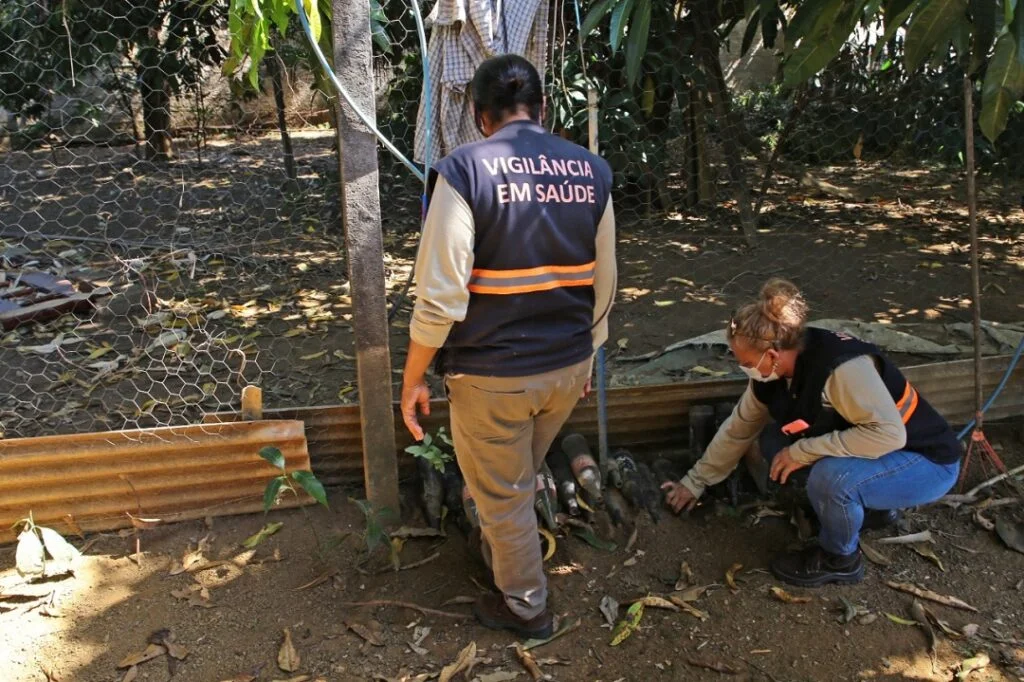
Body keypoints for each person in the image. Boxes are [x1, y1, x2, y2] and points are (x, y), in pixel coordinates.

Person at [399, 54, 616, 638]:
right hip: (567, 369)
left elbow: (441, 298)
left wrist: (413, 377)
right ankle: (506, 557)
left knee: (506, 492)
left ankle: (525, 606)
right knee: (515, 477)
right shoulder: (591, 171)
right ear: (542, 109)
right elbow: (606, 281)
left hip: (494, 377)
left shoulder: (464, 171)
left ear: (479, 115)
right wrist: (590, 350)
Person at [662, 279, 961, 587]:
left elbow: (889, 436)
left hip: (925, 462)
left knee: (831, 478)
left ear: (773, 354)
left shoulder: (840, 368)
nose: (744, 368)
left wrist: (803, 451)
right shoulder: (773, 374)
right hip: (881, 453)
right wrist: (695, 481)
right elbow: (739, 429)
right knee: (774, 441)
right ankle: (868, 513)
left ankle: (840, 558)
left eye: (748, 362)